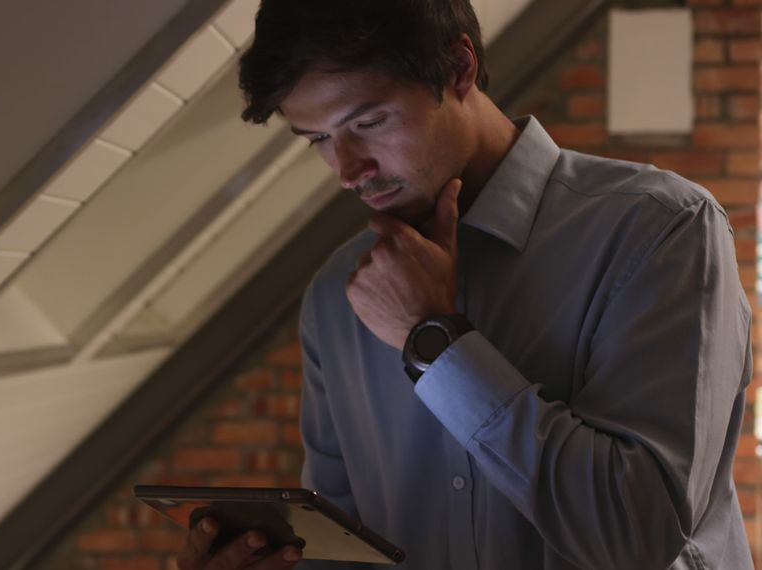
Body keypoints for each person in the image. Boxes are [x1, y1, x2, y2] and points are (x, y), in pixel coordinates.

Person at [176, 0, 753, 568]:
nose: (348, 170)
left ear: (459, 68)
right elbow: (346, 553)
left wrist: (436, 342)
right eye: (318, 139)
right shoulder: (336, 297)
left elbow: (635, 538)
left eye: (368, 122)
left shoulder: (660, 230)